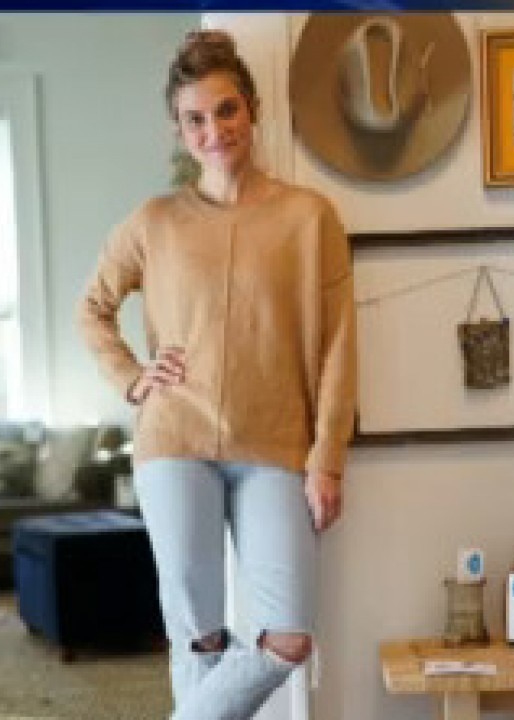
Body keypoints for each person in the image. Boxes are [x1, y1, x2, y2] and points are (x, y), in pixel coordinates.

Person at [76, 29, 357, 720]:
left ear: (251, 109)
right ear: (179, 131)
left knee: (288, 636)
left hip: (277, 445)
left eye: (226, 110)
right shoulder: (155, 222)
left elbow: (339, 346)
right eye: (195, 119)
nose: (214, 130)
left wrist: (327, 456)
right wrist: (133, 377)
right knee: (198, 638)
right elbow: (92, 309)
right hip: (174, 441)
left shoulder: (309, 217)